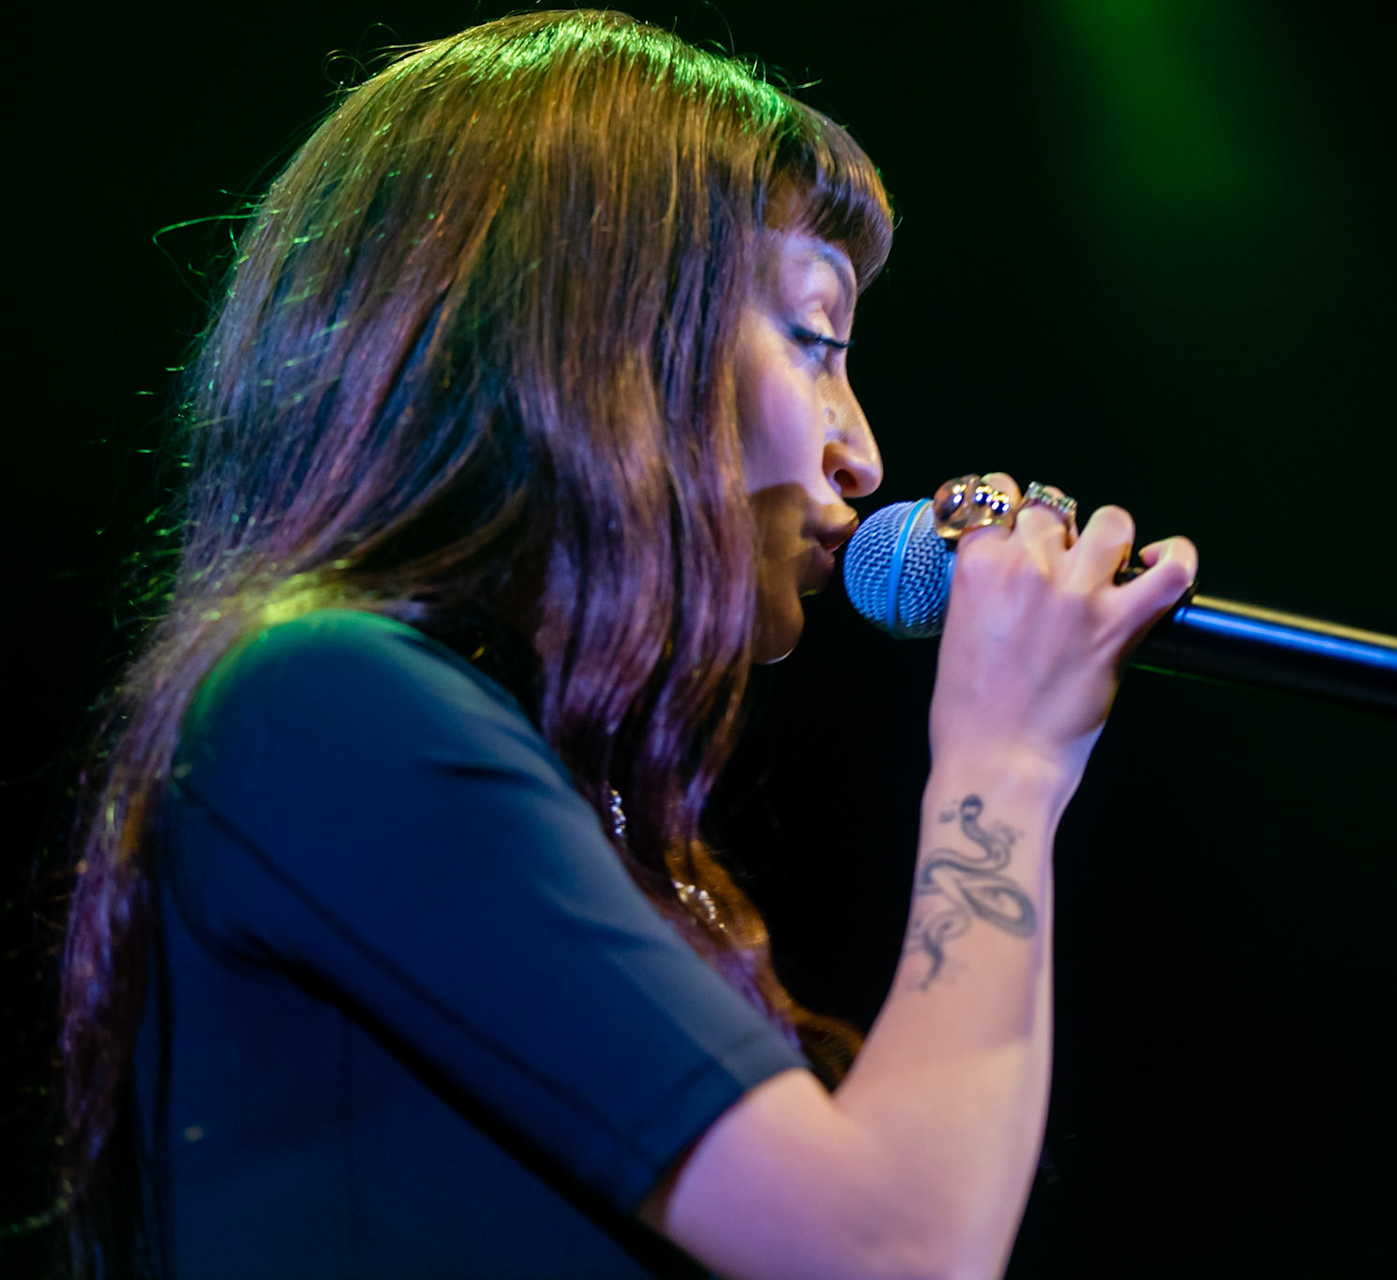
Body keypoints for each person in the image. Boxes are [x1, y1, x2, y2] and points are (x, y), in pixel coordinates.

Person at [57, 10, 1197, 1279]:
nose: (861, 451)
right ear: (597, 331)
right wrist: (1005, 762)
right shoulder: (325, 703)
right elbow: (897, 1250)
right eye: (816, 342)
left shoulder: (548, 778)